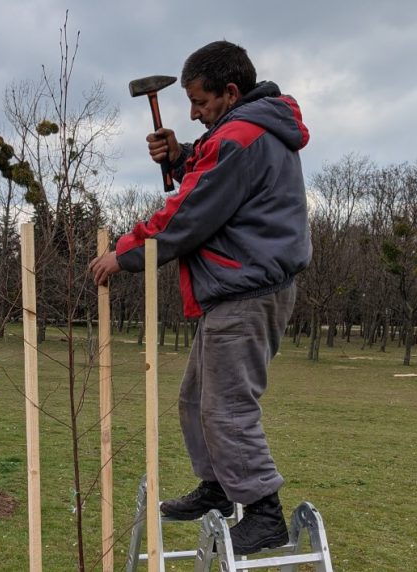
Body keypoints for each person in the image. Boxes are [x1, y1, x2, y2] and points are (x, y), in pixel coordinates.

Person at [89, 40, 311, 554]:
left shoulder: (239, 138)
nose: (192, 113)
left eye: (200, 102)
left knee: (228, 408)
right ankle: (218, 487)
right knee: (195, 400)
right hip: (236, 292)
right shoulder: (242, 135)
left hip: (246, 293)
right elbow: (217, 181)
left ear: (230, 92)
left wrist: (124, 254)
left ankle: (264, 513)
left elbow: (187, 217)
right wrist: (185, 155)